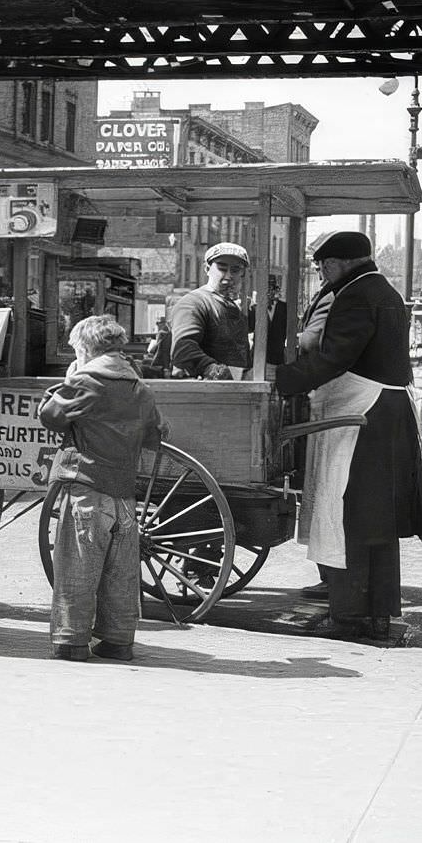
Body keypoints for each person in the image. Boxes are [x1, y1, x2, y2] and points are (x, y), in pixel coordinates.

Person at [275, 231, 422, 639]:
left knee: (349, 515)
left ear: (339, 263)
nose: (323, 275)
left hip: (363, 416)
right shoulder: (383, 291)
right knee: (374, 520)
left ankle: (349, 616)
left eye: (325, 266)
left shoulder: (356, 295)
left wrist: (281, 379)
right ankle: (376, 613)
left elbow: (334, 357)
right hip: (384, 414)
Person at [39, 315, 168, 662]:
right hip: (125, 495)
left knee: (76, 567)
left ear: (85, 349)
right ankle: (118, 641)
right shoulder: (140, 388)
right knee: (121, 574)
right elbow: (157, 435)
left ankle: (71, 642)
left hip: (86, 488)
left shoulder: (86, 381)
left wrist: (66, 380)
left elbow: (50, 415)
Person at [170, 242, 251, 380]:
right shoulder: (194, 303)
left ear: (242, 274)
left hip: (235, 389)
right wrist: (212, 370)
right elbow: (183, 348)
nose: (229, 275)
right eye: (222, 268)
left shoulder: (233, 306)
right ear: (207, 269)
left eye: (235, 270)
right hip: (206, 391)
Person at [249, 273, 288, 365]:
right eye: (266, 289)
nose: (268, 292)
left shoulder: (284, 307)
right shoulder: (255, 308)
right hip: (259, 355)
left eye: (271, 289)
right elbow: (249, 327)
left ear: (275, 290)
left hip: (277, 355)